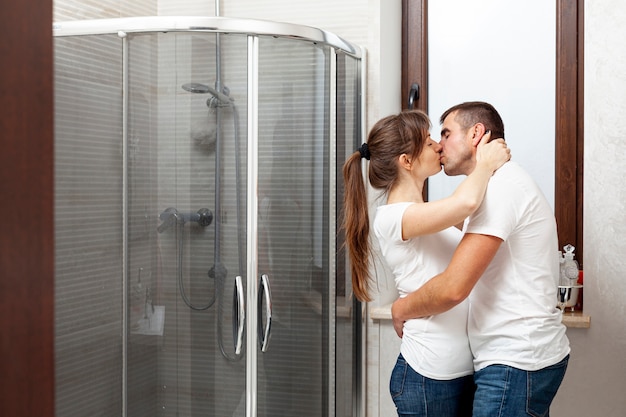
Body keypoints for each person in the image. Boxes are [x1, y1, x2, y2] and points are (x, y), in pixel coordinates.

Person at [391, 101, 570, 417]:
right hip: (511, 358)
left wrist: (401, 307)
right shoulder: (490, 187)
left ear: (476, 134)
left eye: (446, 134)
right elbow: (448, 212)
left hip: (515, 361)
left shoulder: (502, 188)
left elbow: (453, 288)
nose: (438, 145)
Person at [342, 110, 510, 417]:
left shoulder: (428, 215)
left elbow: (474, 213)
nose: (438, 146)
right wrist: (485, 163)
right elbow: (467, 202)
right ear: (406, 161)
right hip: (427, 378)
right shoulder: (393, 217)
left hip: (457, 373)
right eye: (428, 140)